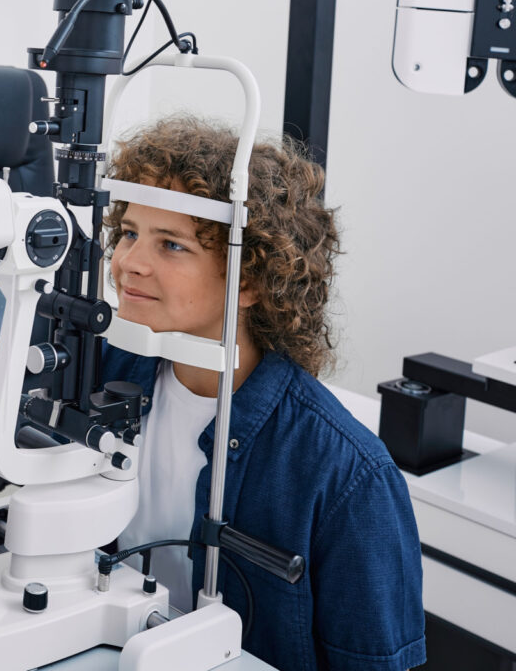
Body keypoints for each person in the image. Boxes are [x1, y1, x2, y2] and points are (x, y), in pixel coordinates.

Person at [100, 116, 425, 671]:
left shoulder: (348, 477)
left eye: (171, 245)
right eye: (129, 233)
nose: (130, 262)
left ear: (249, 279)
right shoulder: (106, 368)